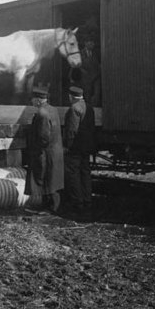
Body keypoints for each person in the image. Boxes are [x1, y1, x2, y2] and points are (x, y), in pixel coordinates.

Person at [24, 85, 65, 213]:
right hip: (54, 151)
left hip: (45, 152)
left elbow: (43, 137)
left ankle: (52, 208)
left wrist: (36, 149)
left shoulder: (42, 113)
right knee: (52, 179)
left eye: (32, 99)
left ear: (38, 100)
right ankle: (49, 206)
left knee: (46, 178)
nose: (31, 102)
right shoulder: (52, 110)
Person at [63, 86, 97, 215]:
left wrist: (67, 146)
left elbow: (72, 131)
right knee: (85, 173)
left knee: (73, 174)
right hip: (86, 147)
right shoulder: (89, 107)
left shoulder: (74, 109)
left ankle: (77, 202)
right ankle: (87, 200)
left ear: (71, 96)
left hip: (75, 148)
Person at [79, 37, 101, 107]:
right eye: (90, 42)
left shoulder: (96, 53)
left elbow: (99, 64)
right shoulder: (80, 53)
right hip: (85, 78)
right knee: (87, 95)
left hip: (96, 77)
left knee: (96, 94)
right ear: (85, 43)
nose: (92, 44)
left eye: (93, 43)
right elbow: (78, 66)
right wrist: (83, 72)